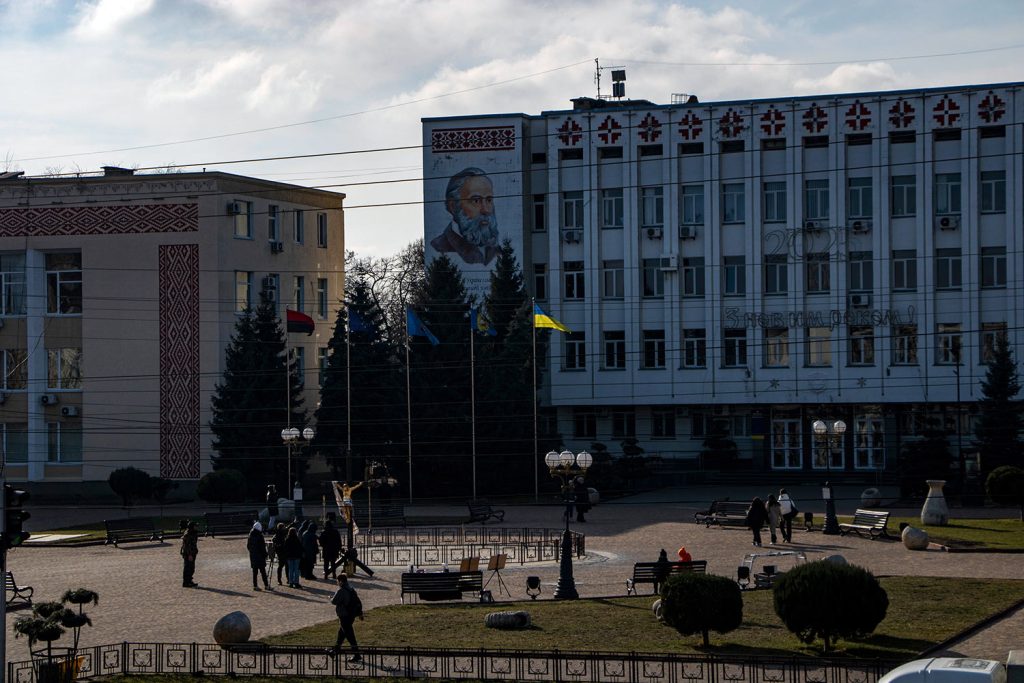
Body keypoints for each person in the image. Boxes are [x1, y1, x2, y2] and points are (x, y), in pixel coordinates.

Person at [429, 167, 500, 266]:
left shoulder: (497, 249)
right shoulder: (440, 247)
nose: (486, 210)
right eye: (476, 200)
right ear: (453, 206)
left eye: (489, 200)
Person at [330, 574, 364, 662]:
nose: (337, 583)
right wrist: (360, 613)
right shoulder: (351, 589)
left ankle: (357, 655)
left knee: (350, 636)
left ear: (341, 581)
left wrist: (331, 598)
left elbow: (334, 601)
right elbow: (357, 602)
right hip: (351, 615)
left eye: (337, 581)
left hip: (344, 615)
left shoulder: (341, 590)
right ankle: (334, 652)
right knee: (341, 634)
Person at [247, 521, 272, 591]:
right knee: (263, 572)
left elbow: (248, 546)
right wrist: (266, 554)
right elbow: (262, 548)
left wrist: (252, 553)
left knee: (255, 573)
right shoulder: (260, 536)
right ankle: (266, 585)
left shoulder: (250, 535)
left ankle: (255, 585)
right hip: (260, 557)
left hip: (253, 557)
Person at [180, 520, 199, 588]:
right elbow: (187, 546)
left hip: (192, 552)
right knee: (188, 568)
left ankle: (189, 581)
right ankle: (186, 582)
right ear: (192, 527)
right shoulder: (188, 534)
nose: (197, 527)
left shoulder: (193, 533)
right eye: (195, 526)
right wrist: (190, 555)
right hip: (188, 553)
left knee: (192, 568)